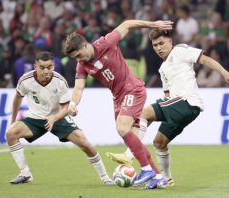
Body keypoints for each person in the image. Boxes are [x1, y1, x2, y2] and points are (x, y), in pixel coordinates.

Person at [106, 29, 229, 186]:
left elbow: (204, 60)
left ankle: (130, 154)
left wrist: (224, 72)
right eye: (155, 45)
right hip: (178, 107)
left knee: (142, 114)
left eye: (161, 43)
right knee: (159, 143)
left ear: (170, 41)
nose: (158, 48)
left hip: (187, 102)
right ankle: (166, 180)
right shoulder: (163, 69)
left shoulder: (180, 50)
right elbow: (167, 96)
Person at [64, 20, 173, 189]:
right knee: (134, 140)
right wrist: (73, 103)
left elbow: (127, 24)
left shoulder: (106, 42)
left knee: (122, 128)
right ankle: (158, 177)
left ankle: (146, 170)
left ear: (86, 45)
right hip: (118, 98)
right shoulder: (82, 65)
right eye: (75, 58)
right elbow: (78, 88)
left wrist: (152, 24)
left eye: (78, 55)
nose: (79, 60)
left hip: (133, 89)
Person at [6, 51, 114, 185]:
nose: (46, 71)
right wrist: (13, 121)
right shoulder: (25, 80)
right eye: (42, 67)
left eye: (49, 67)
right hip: (35, 118)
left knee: (85, 144)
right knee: (11, 134)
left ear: (54, 66)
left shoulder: (60, 81)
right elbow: (17, 98)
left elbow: (65, 108)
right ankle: (25, 173)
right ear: (35, 66)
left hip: (59, 117)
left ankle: (105, 178)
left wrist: (53, 118)